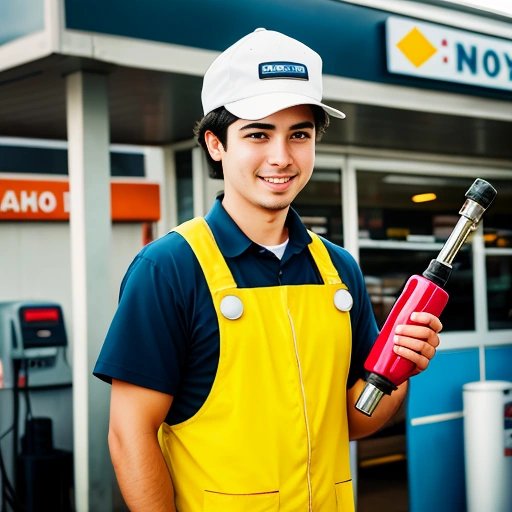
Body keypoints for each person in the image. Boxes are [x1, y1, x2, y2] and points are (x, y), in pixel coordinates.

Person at [94, 28, 442, 512]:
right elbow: (128, 434)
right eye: (258, 133)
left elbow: (354, 422)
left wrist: (399, 368)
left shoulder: (339, 269)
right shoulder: (169, 267)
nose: (281, 157)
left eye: (298, 134)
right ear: (216, 144)